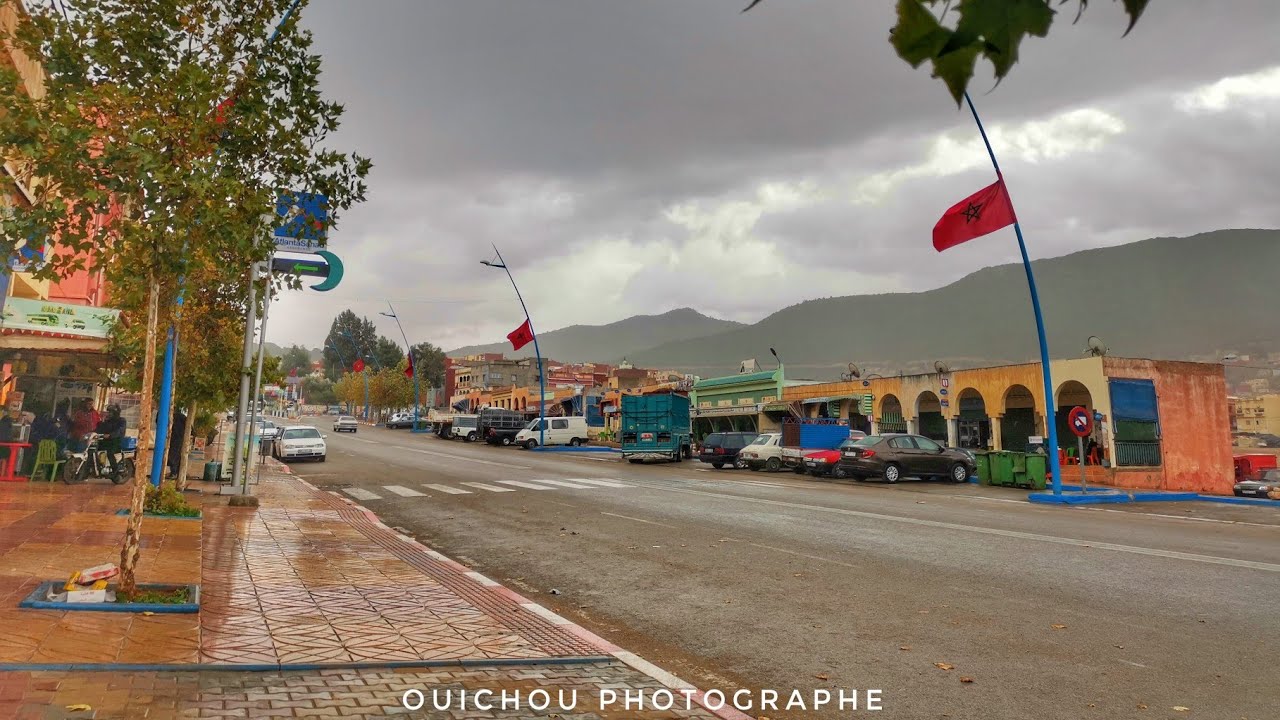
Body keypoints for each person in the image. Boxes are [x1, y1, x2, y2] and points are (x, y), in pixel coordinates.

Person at [95, 404, 127, 482]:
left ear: (115, 413)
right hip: (105, 441)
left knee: (109, 453)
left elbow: (120, 431)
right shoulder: (107, 420)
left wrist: (111, 435)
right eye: (108, 412)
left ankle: (115, 472)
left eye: (110, 412)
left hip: (116, 441)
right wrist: (92, 432)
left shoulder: (122, 421)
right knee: (94, 450)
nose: (108, 413)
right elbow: (99, 429)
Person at [167, 409, 188, 479]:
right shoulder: (183, 417)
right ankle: (176, 472)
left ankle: (174, 472)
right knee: (177, 456)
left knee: (172, 456)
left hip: (172, 438)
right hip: (180, 439)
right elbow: (189, 427)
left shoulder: (169, 416)